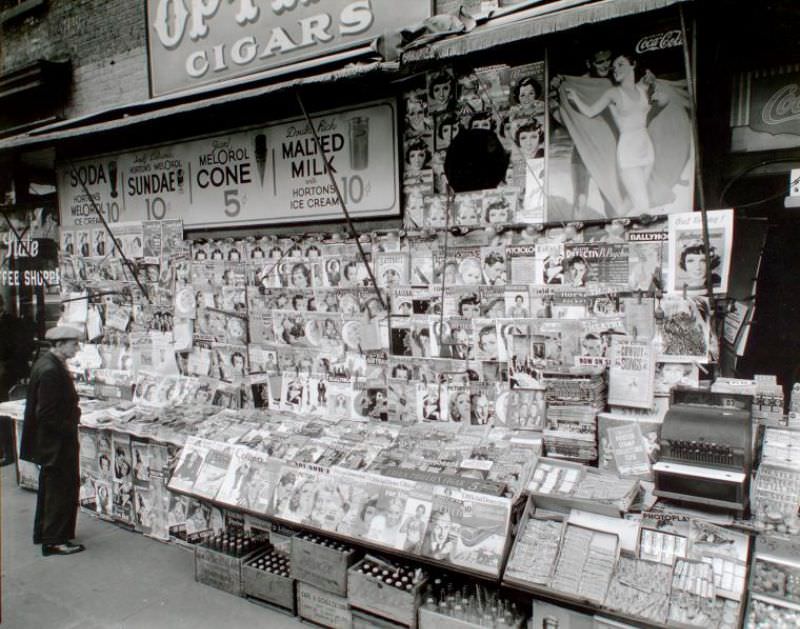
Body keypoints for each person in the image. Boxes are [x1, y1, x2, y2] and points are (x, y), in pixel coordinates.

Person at [564, 51, 673, 214]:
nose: (615, 70)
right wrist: (574, 97)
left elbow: (665, 99)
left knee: (631, 200)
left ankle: (613, 226)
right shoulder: (612, 93)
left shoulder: (642, 88)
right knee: (642, 202)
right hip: (628, 150)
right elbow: (590, 112)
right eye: (614, 67)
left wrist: (654, 82)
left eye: (620, 65)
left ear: (633, 65)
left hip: (646, 148)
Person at [19, 325, 86, 556]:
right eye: (73, 343)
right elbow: (46, 414)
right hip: (56, 443)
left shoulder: (49, 363)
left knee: (52, 488)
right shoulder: (50, 370)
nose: (77, 348)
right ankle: (55, 540)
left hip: (51, 441)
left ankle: (48, 534)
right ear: (59, 344)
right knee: (61, 489)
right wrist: (71, 423)